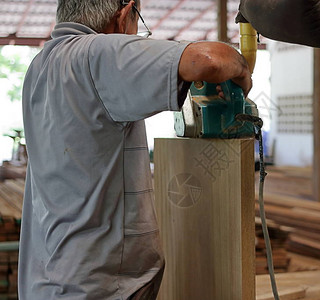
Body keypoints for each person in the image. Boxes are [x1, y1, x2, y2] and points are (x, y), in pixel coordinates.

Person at [19, 0, 252, 299]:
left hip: (47, 279)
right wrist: (243, 71)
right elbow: (210, 59)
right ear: (125, 15)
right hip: (98, 287)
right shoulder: (97, 52)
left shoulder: (40, 65)